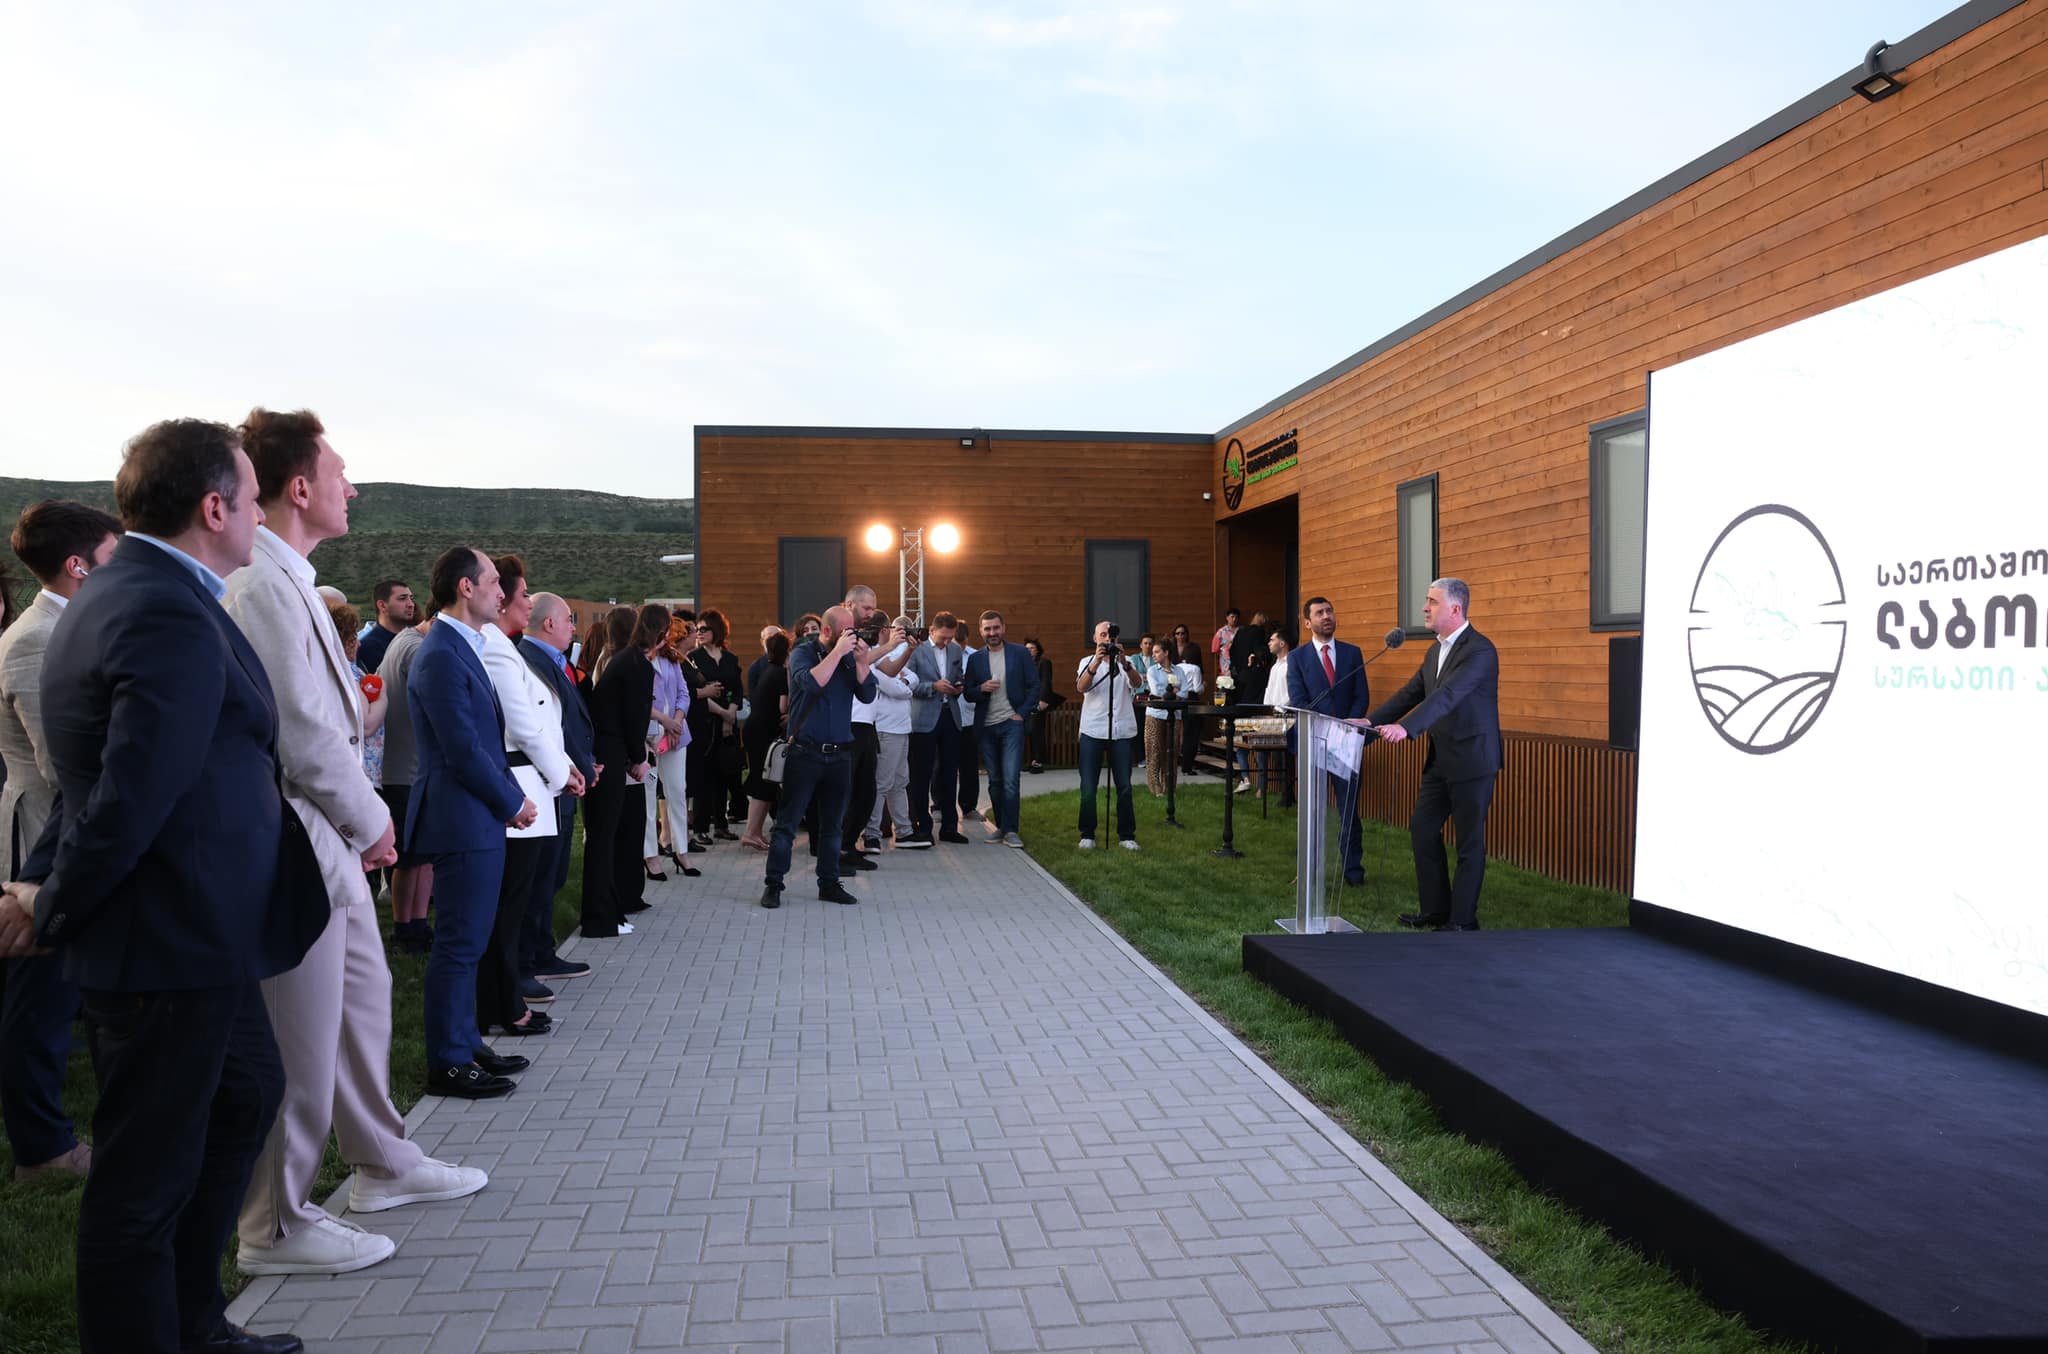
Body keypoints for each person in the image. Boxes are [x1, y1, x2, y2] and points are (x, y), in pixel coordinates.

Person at [0, 417, 330, 1354]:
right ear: (214, 508)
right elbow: (131, 792)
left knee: (244, 1097)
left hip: (196, 935)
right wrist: (54, 904)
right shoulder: (160, 609)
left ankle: (194, 1321)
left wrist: (45, 887)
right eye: (250, 497)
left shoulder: (137, 592)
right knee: (140, 1185)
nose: (261, 513)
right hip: (165, 939)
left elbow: (102, 777)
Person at [223, 408, 485, 1276]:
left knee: (361, 1003)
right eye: (341, 474)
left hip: (328, 827)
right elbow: (300, 730)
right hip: (299, 828)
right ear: (300, 489)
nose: (355, 488)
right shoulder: (261, 584)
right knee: (300, 1034)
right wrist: (373, 821)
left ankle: (383, 1161)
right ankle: (273, 1224)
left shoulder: (289, 577)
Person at [0, 500, 119, 1186]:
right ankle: (41, 1147)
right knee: (39, 997)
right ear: (78, 566)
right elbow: (63, 764)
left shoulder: (65, 627)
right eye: (113, 557)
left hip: (70, 830)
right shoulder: (39, 639)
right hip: (46, 835)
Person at [407, 546, 538, 1100]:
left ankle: (466, 1042)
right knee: (459, 944)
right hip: (461, 817)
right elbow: (461, 750)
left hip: (474, 816)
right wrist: (512, 802)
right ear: (466, 587)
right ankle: (449, 1061)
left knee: (471, 938)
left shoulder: (461, 646)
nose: (502, 593)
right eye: (492, 582)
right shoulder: (441, 654)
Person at [1362, 578, 1503, 932]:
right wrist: (1369, 722)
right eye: (1426, 600)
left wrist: (1406, 728)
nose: (1424, 607)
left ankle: (1462, 921)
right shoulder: (1434, 651)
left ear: (1455, 609)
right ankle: (1436, 911)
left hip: (1472, 760)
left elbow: (1448, 695)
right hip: (1441, 760)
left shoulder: (1480, 650)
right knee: (1423, 830)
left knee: (1469, 843)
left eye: (1432, 601)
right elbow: (1411, 693)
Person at [477, 554, 580, 1037]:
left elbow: (541, 721)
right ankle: (506, 992)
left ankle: (508, 991)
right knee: (511, 899)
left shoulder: (506, 647)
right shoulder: (497, 650)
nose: (523, 601)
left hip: (536, 780)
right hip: (522, 784)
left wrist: (564, 767)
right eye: (521, 594)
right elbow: (522, 724)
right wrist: (563, 773)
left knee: (523, 894)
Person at [759, 604, 875, 909]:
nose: (851, 636)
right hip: (805, 753)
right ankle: (773, 885)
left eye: (853, 631)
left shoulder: (849, 657)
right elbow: (811, 683)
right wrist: (837, 653)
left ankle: (829, 883)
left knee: (833, 826)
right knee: (787, 824)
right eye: (846, 631)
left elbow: (868, 695)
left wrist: (862, 662)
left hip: (840, 755)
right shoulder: (803, 653)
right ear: (827, 631)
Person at [517, 593, 595, 984]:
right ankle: (531, 957)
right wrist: (575, 767)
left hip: (564, 777)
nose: (573, 627)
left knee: (553, 873)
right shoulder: (530, 661)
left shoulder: (552, 660)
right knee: (540, 877)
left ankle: (541, 950)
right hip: (549, 783)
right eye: (568, 619)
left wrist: (583, 764)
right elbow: (547, 728)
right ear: (549, 623)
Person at [1286, 596, 1373, 885]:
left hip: (1346, 742)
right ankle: (1309, 869)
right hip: (1314, 741)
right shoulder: (1297, 658)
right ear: (1307, 622)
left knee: (1349, 809)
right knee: (1312, 810)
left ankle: (1353, 871)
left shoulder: (1352, 653)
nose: (1326, 616)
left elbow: (1361, 696)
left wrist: (1345, 727)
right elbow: (1299, 700)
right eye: (1319, 613)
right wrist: (1327, 726)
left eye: (1329, 611)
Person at [580, 607, 656, 938]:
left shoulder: (618, 661)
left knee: (609, 836)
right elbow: (633, 716)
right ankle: (600, 916)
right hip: (610, 755)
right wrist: (639, 758)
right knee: (604, 837)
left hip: (608, 752)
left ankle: (610, 908)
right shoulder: (631, 663)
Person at [375, 611, 433, 952]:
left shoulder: (407, 642)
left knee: (422, 855)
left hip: (411, 768)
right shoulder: (415, 648)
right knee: (409, 858)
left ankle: (418, 925)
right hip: (405, 770)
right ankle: (403, 928)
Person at [963, 609, 1039, 848]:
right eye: (987, 629)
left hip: (1011, 724)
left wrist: (1021, 714)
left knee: (1010, 780)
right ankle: (1002, 827)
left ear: (1003, 628)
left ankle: (1012, 830)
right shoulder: (975, 659)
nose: (992, 632)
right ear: (980, 631)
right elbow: (968, 692)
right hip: (986, 727)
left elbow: (1034, 686)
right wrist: (981, 688)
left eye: (996, 628)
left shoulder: (1019, 653)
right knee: (995, 781)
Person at [1074, 621, 1141, 851]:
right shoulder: (1086, 661)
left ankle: (1126, 835)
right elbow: (1081, 687)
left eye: (1110, 635)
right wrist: (1096, 661)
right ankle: (1087, 834)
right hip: (1093, 730)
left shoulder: (1126, 661)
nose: (1106, 639)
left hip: (1121, 731)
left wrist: (1124, 663)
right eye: (1102, 635)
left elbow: (1137, 684)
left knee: (1124, 786)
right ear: (1095, 638)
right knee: (1088, 786)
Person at [902, 611, 966, 847]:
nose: (946, 642)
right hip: (924, 718)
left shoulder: (956, 650)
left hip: (950, 716)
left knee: (949, 774)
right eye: (943, 637)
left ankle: (949, 827)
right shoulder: (916, 650)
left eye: (950, 638)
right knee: (921, 775)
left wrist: (959, 686)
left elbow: (959, 675)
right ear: (931, 630)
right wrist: (934, 687)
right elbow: (908, 684)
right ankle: (923, 827)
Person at [686, 609, 744, 845]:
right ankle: (701, 827)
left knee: (725, 773)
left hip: (728, 723)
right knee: (704, 776)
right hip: (705, 722)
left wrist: (730, 714)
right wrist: (721, 712)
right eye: (697, 629)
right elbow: (695, 691)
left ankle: (721, 824)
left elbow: (738, 689)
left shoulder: (730, 658)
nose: (699, 633)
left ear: (717, 630)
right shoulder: (694, 658)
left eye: (704, 629)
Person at [862, 617, 916, 849]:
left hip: (902, 727)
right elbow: (893, 687)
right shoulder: (871, 654)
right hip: (885, 728)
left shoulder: (889, 654)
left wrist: (906, 683)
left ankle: (904, 831)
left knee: (900, 782)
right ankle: (871, 833)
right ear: (884, 629)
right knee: (881, 784)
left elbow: (912, 677)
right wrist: (906, 686)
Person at [650, 615, 696, 874]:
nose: (667, 634)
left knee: (677, 792)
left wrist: (676, 722)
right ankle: (650, 855)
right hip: (650, 735)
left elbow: (683, 694)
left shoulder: (671, 657)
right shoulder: (640, 658)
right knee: (648, 797)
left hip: (676, 735)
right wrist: (666, 722)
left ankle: (681, 851)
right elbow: (640, 699)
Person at [738, 628, 790, 850]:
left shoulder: (768, 669)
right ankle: (751, 832)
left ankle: (755, 832)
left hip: (755, 730)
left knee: (764, 781)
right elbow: (782, 707)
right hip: (763, 732)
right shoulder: (780, 673)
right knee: (763, 781)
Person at [357, 578, 416, 674]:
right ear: (382, 605)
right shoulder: (368, 647)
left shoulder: (417, 638)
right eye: (402, 599)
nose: (411, 604)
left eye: (411, 599)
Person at [1170, 622, 1206, 774]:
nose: (1180, 636)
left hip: (1176, 697)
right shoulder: (1195, 668)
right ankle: (1187, 766)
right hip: (1191, 698)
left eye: (1182, 633)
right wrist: (1203, 685)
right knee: (1190, 733)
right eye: (1177, 633)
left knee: (1177, 730)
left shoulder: (1175, 668)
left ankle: (1173, 763)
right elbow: (1198, 689)